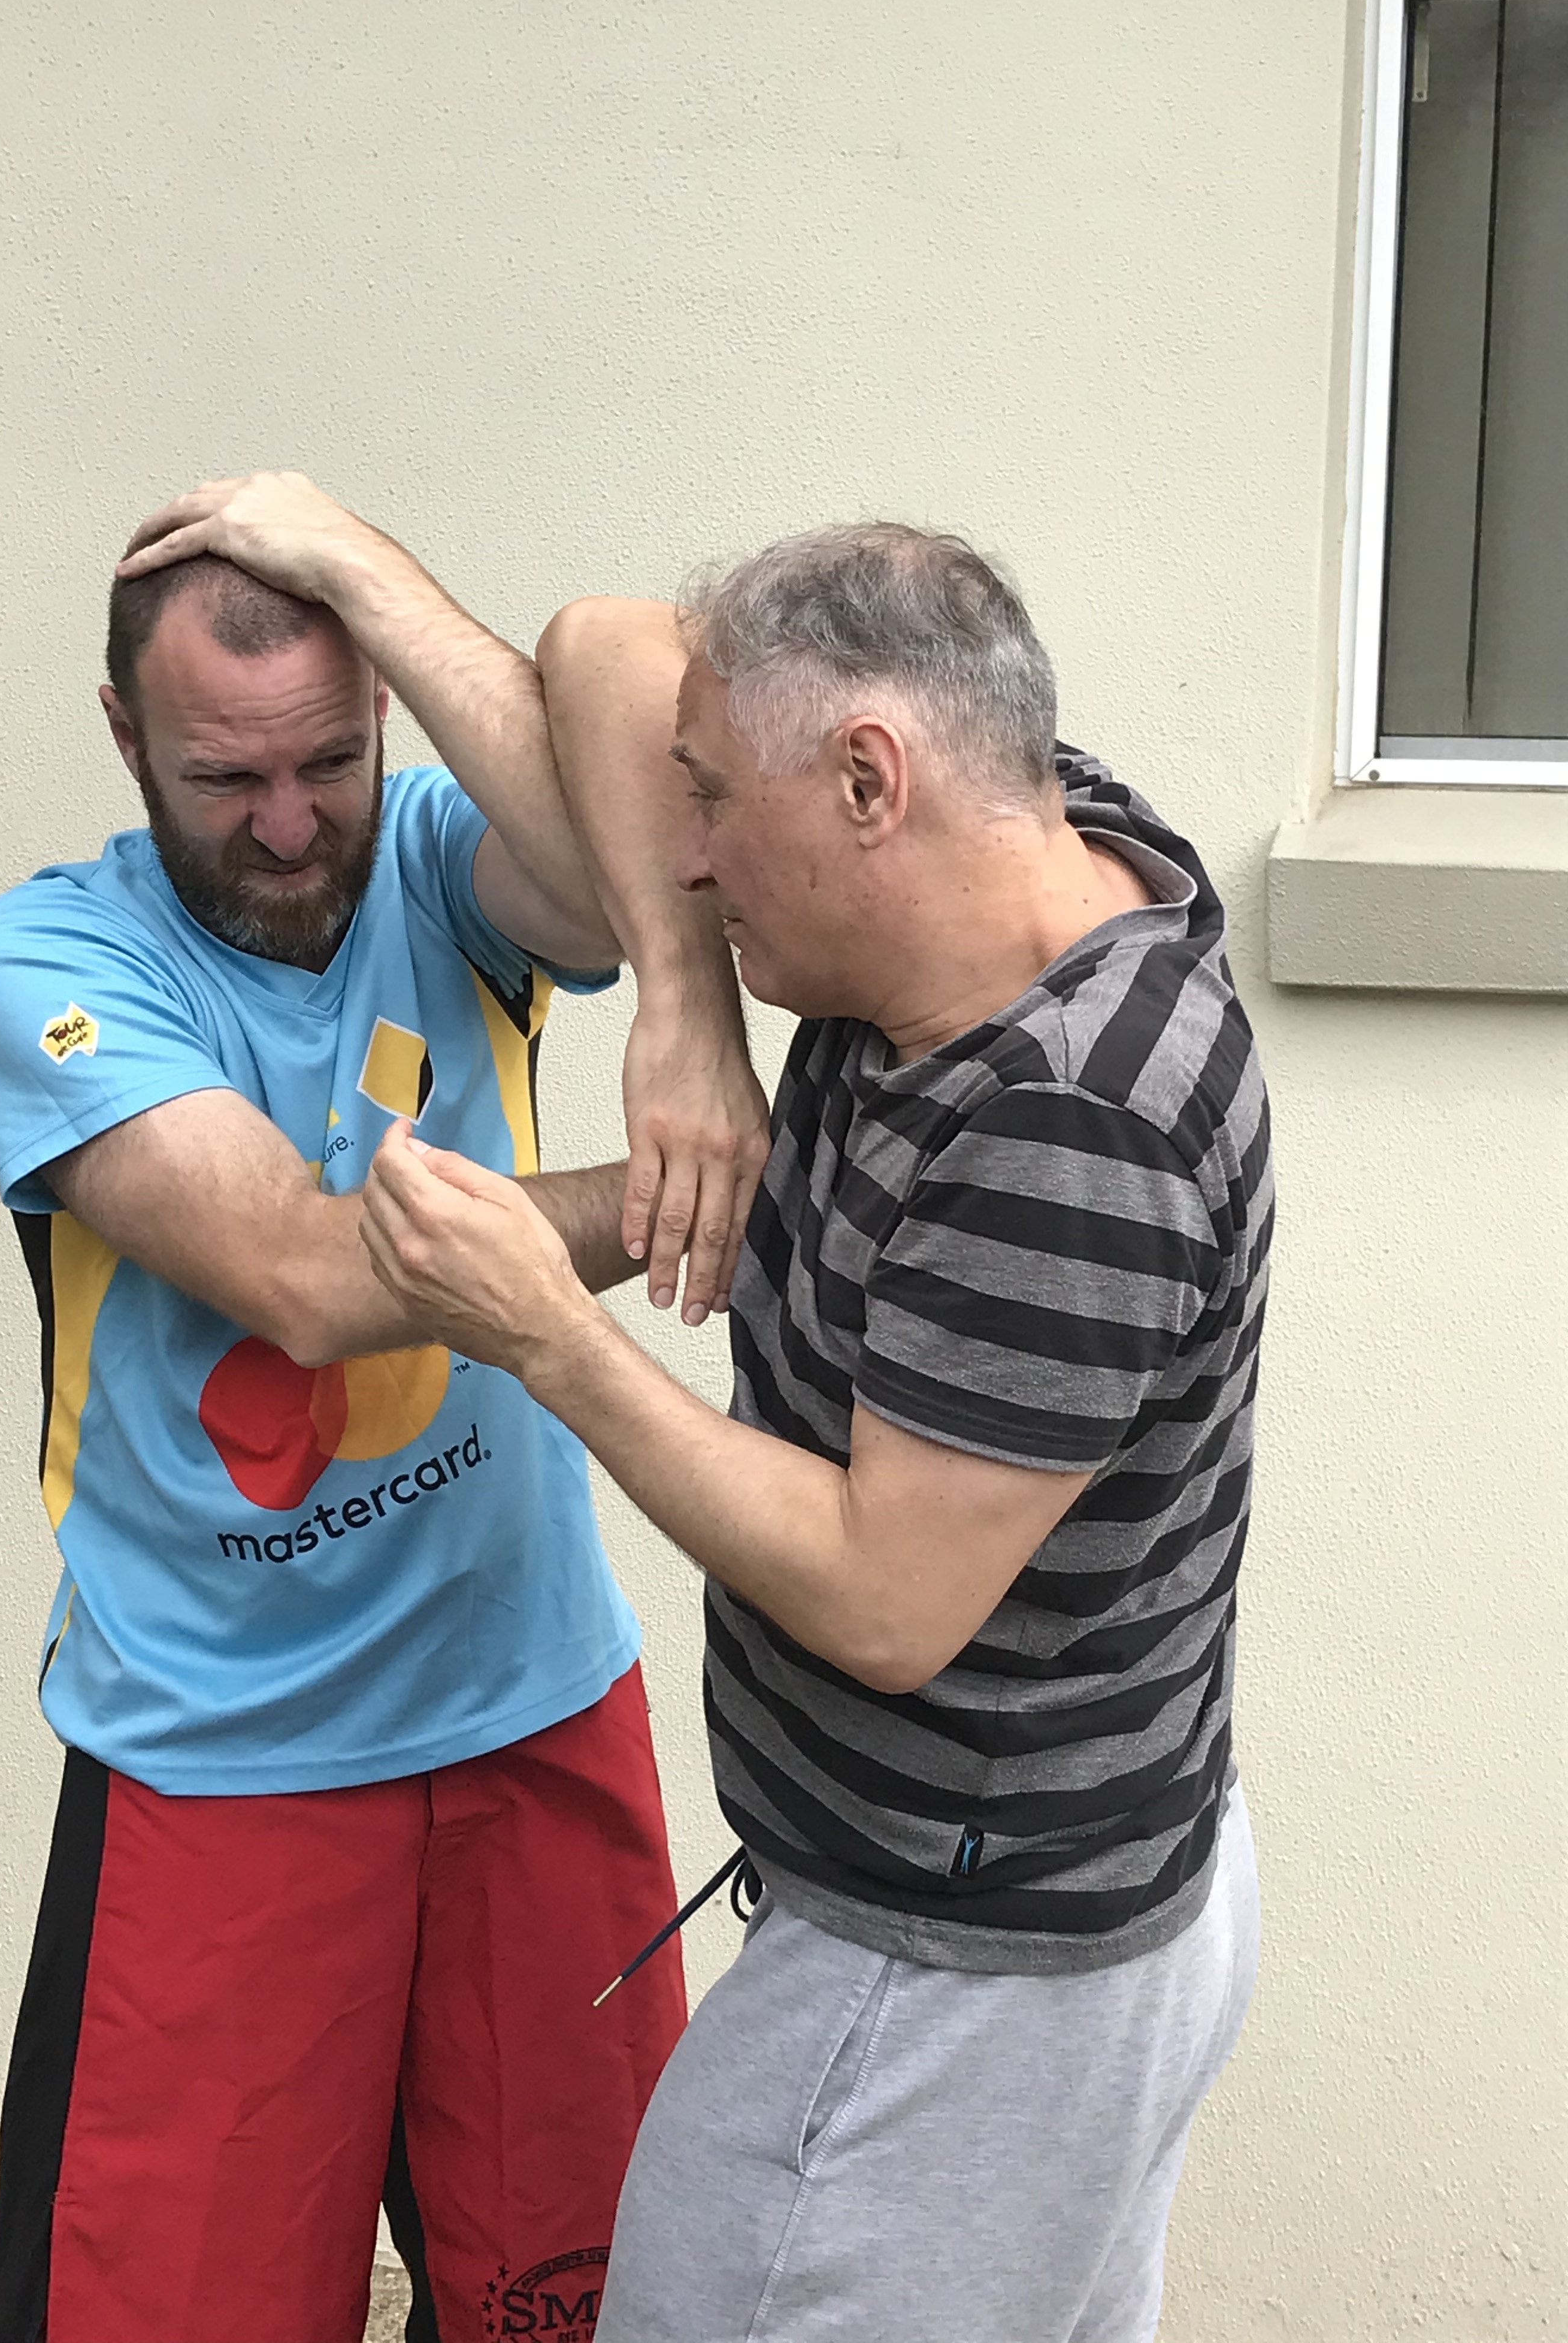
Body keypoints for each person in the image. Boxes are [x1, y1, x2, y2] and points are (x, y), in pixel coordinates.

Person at [356, 525, 1271, 2343]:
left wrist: (547, 1336)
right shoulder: (1026, 829)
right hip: (1068, 1898)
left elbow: (884, 1600)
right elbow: (613, 644)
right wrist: (683, 1007)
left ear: (867, 782)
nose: (686, 854)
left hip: (961, 1977)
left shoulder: (1067, 1130)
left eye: (713, 804)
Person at [0, 473, 768, 2343]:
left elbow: (630, 766)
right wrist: (692, 1193)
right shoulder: (47, 963)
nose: (290, 820)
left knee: (590, 2305)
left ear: (382, 705)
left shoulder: (438, 855)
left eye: (329, 757)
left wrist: (363, 568)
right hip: (222, 1757)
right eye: (225, 777)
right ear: (123, 736)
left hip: (531, 1703)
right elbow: (309, 1280)